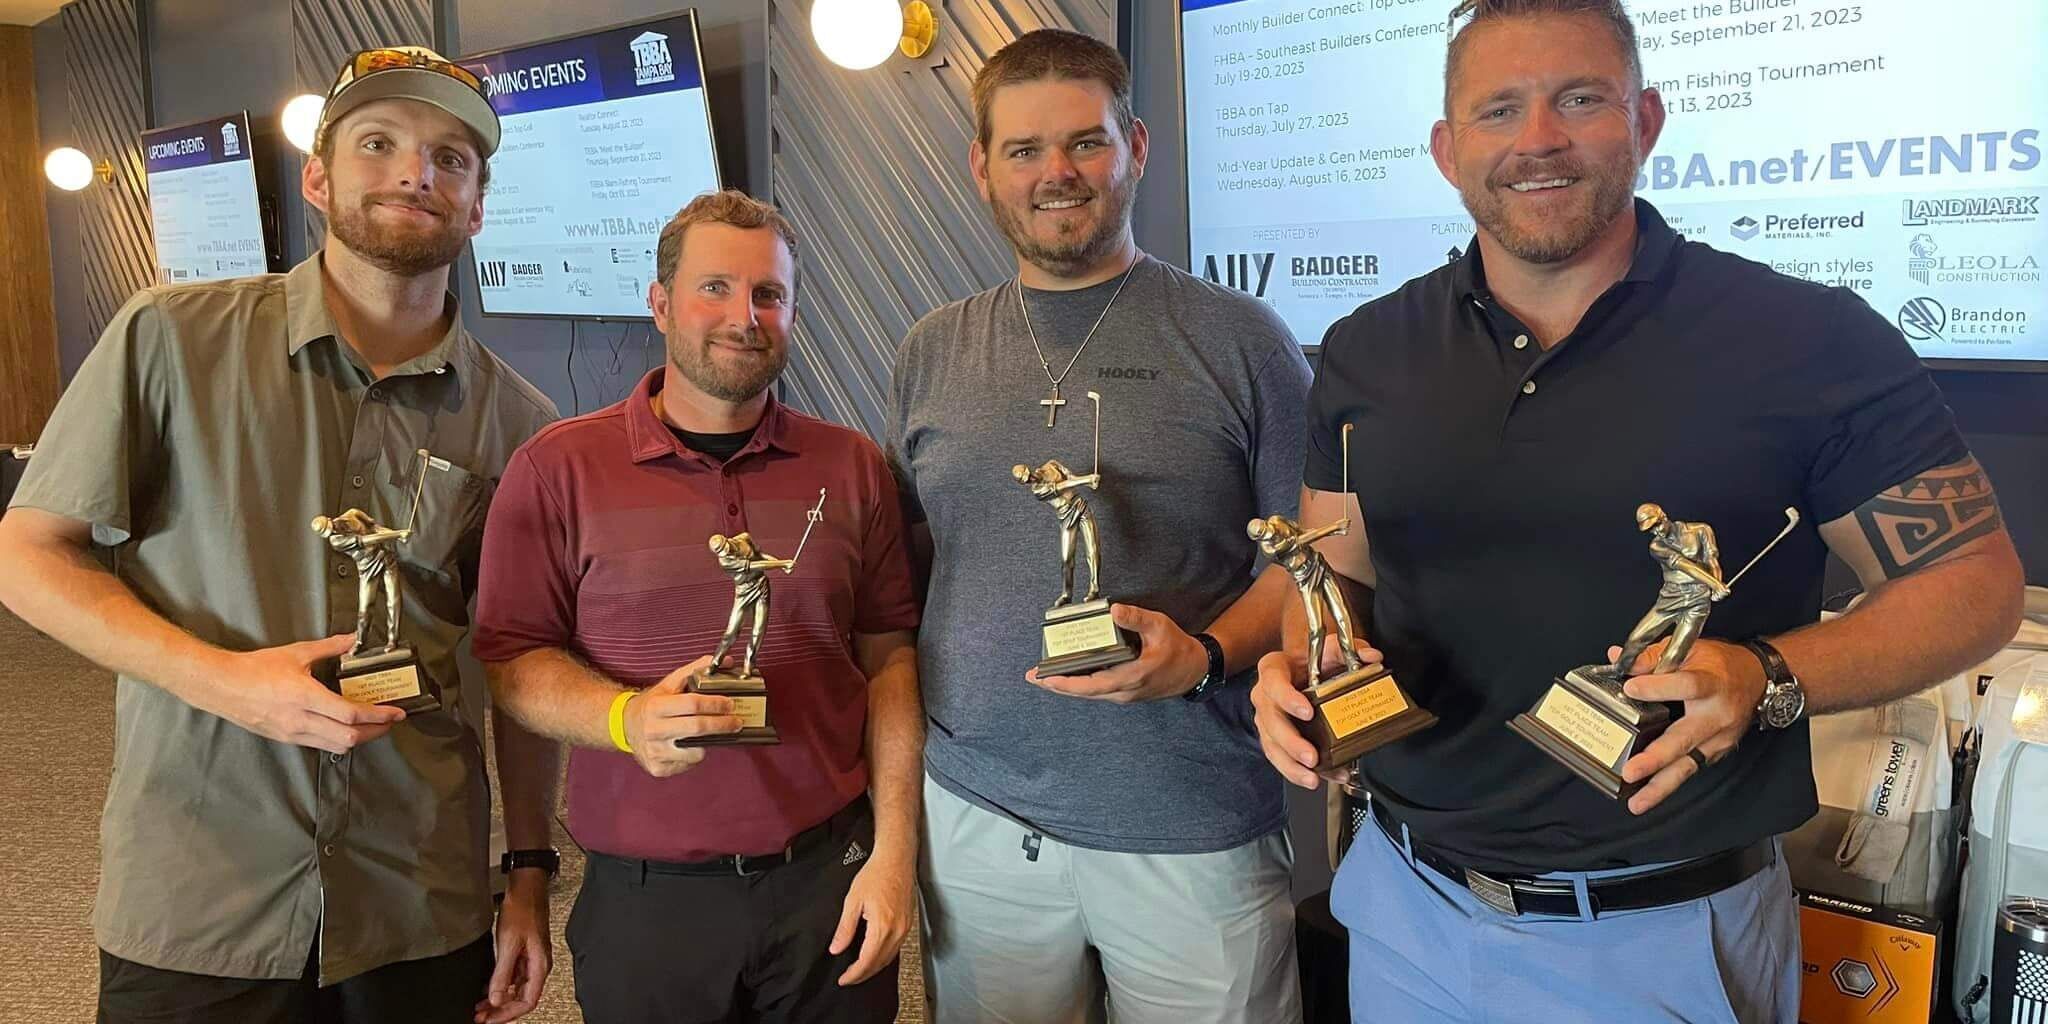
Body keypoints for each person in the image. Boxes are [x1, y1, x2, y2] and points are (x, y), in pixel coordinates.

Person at [1250, 1, 2026, 1020]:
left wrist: (1766, 675)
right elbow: (1337, 568)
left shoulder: (1803, 339)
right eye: (1497, 110)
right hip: (1405, 909)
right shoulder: (1364, 347)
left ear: (1644, 120)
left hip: (1660, 937)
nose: (1537, 140)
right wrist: (1305, 655)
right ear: (1445, 149)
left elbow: (1973, 588)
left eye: (1578, 99)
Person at [0, 46, 559, 1024]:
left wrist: (526, 874)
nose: (414, 173)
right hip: (202, 893)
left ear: (477, 207)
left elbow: (515, 664)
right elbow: (29, 551)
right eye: (378, 143)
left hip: (417, 902)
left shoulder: (521, 425)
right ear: (318, 178)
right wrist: (219, 679)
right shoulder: (171, 339)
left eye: (451, 158)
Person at [888, 28, 1311, 1023]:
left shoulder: (1240, 340)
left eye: (1084, 142)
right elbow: (917, 556)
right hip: (978, 820)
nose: (1056, 174)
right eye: (1024, 150)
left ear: (1137, 149)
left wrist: (1206, 654)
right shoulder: (930, 349)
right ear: (981, 168)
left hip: (1189, 826)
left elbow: (1312, 559)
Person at [472, 189, 922, 1024]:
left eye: (769, 295)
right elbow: (511, 664)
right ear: (659, 303)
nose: (743, 316)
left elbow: (890, 658)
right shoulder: (556, 469)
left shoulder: (852, 466)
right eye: (714, 288)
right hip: (647, 905)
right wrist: (623, 717)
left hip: (826, 880)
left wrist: (895, 850)